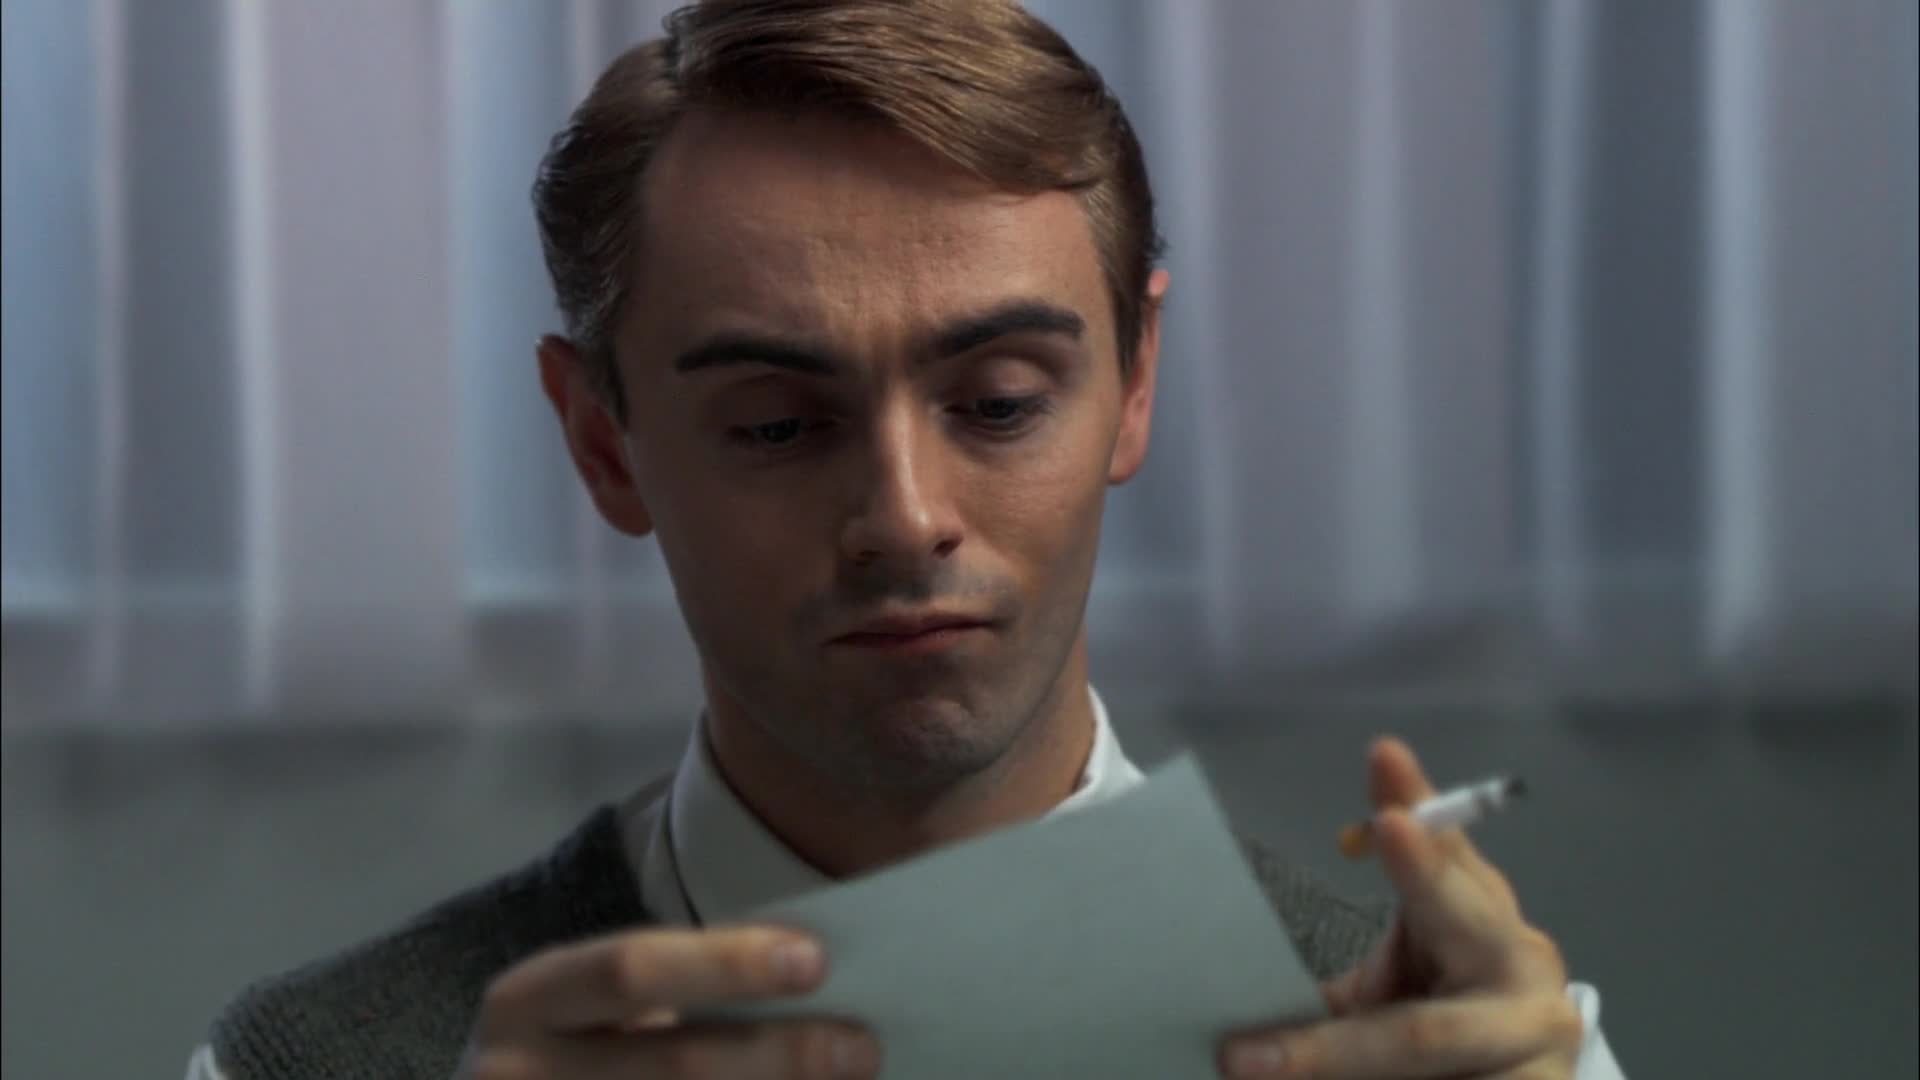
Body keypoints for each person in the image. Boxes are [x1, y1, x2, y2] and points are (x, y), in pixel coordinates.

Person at [187, 1, 1627, 1077]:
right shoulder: (298, 1069)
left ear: (1135, 385)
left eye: (998, 403)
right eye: (775, 426)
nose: (904, 516)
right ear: (603, 443)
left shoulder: (1493, 1058)